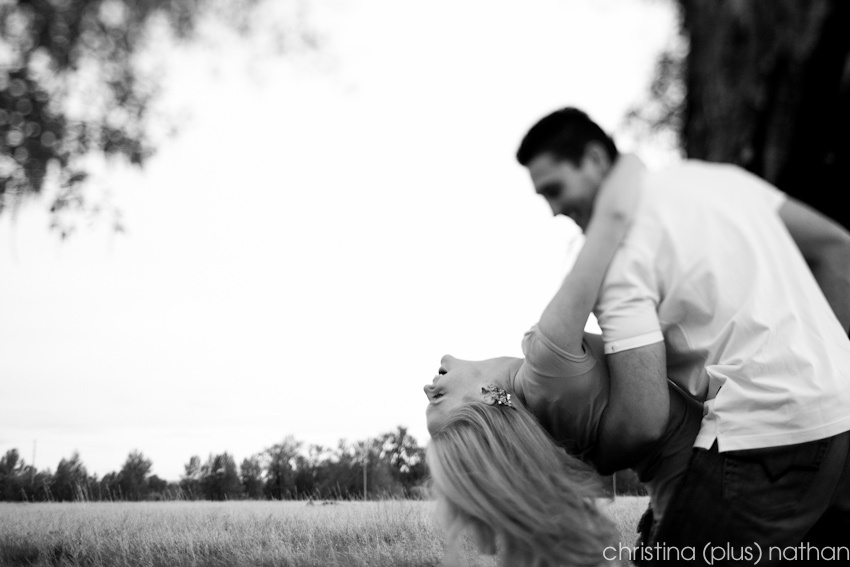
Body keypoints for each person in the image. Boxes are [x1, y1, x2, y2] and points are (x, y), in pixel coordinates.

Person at [515, 106, 850, 565]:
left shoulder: (618, 253)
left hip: (764, 438)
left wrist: (592, 457)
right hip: (841, 418)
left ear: (594, 159)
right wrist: (832, 366)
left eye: (554, 190)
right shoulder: (719, 179)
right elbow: (837, 248)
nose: (554, 210)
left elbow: (643, 420)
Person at [424, 154, 701, 567]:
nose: (428, 386)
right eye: (437, 398)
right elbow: (608, 231)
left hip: (674, 502)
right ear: (486, 400)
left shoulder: (547, 432)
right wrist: (622, 164)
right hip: (708, 480)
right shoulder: (546, 358)